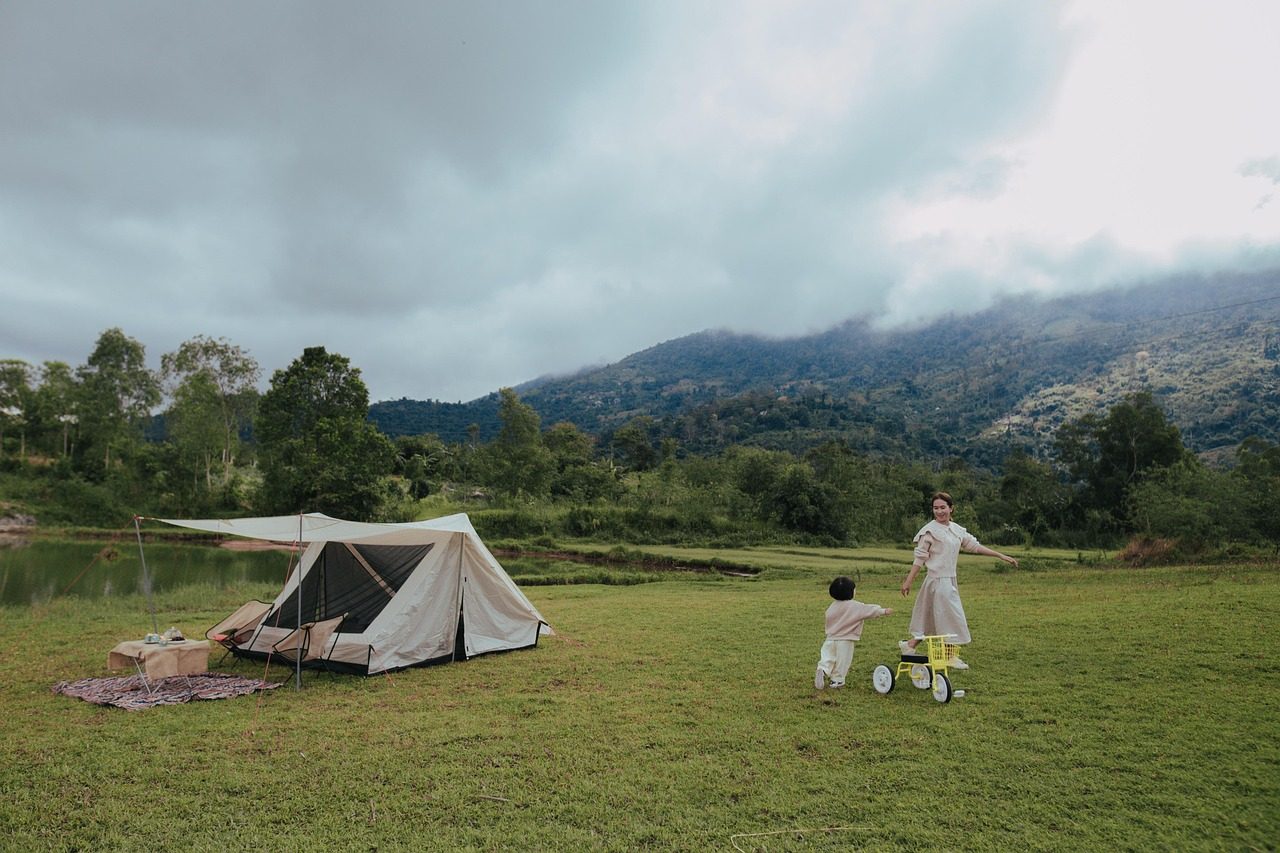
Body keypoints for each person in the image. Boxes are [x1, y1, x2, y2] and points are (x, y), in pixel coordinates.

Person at [898, 491, 1018, 669]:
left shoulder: (956, 530)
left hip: (949, 580)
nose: (939, 511)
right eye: (935, 508)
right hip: (936, 581)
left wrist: (1000, 555)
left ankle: (910, 645)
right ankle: (949, 656)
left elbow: (974, 546)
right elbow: (920, 559)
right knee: (952, 616)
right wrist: (908, 581)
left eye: (943, 507)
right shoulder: (929, 531)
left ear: (951, 508)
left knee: (933, 617)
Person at [815, 575, 893, 689]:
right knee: (842, 661)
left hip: (830, 639)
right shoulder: (855, 606)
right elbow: (869, 610)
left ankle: (822, 669)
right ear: (851, 592)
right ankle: (837, 680)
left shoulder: (832, 607)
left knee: (828, 657)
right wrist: (883, 611)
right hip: (845, 640)